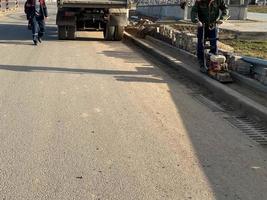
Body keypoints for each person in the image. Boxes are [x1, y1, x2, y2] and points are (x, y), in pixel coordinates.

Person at [191, 0, 229, 71]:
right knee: (201, 44)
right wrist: (196, 20)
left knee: (214, 44)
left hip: (213, 25)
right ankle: (201, 62)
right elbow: (194, 11)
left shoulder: (218, 1)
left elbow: (225, 9)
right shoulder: (199, 1)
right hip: (202, 25)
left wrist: (222, 18)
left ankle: (213, 61)